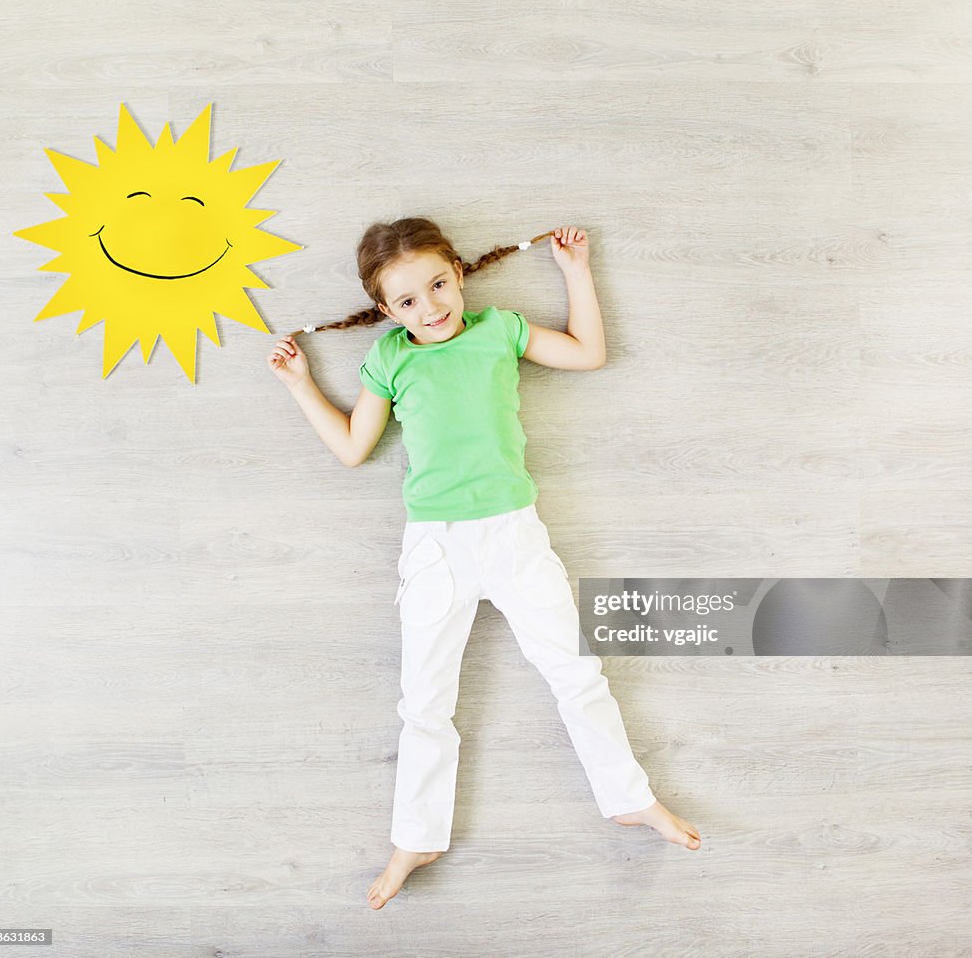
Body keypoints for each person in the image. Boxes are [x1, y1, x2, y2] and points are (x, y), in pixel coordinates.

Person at [268, 219, 701, 910]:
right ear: (386, 312)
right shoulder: (389, 359)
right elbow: (353, 448)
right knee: (425, 703)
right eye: (407, 301)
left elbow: (589, 352)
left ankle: (630, 798)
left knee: (576, 672)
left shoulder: (501, 328)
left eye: (438, 286)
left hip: (513, 534)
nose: (430, 308)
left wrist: (576, 271)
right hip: (435, 545)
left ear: (459, 275)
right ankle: (417, 835)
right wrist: (299, 384)